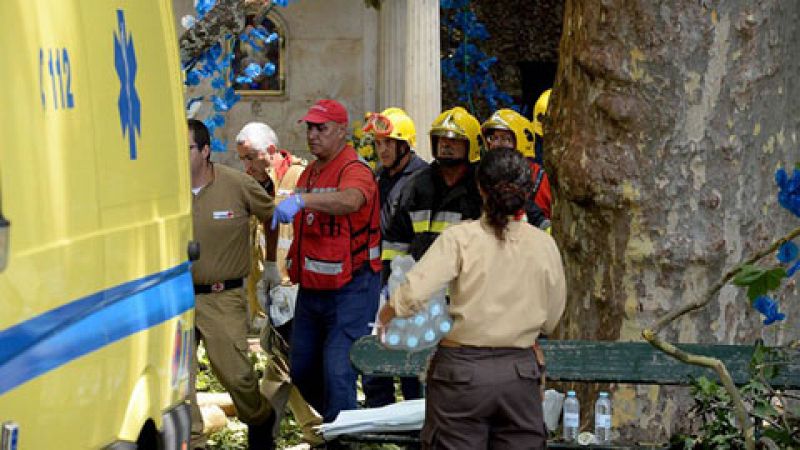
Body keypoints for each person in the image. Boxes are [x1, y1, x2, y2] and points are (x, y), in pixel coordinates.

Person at [377, 148, 567, 450]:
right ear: (528, 190)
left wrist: (386, 315)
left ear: (480, 188)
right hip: (520, 374)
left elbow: (413, 293)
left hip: (461, 375)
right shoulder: (544, 245)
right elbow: (553, 317)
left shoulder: (460, 238)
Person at [270, 99, 382, 424]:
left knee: (337, 370)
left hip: (352, 288)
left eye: (322, 128)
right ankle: (342, 424)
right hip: (313, 290)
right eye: (310, 128)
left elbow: (351, 200)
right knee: (302, 368)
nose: (313, 135)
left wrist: (303, 200)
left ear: (341, 131)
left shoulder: (355, 169)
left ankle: (342, 434)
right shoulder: (310, 172)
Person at [186, 119, 276, 450]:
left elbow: (274, 215)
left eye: (188, 149)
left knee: (237, 376)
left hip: (222, 297)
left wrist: (272, 267)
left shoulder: (237, 185)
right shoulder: (167, 189)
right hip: (177, 298)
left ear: (206, 151)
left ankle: (261, 420)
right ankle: (193, 440)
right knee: (180, 382)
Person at [234, 122, 323, 446]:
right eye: (242, 159)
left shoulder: (302, 178)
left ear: (270, 151)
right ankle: (317, 433)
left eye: (250, 158)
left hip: (298, 293)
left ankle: (265, 434)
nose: (246, 166)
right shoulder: (253, 185)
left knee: (284, 366)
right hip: (272, 294)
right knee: (287, 366)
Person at [360, 107, 428, 408]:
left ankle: (415, 427)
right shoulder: (380, 178)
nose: (382, 149)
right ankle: (379, 417)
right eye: (378, 143)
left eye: (388, 143)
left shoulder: (422, 179)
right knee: (376, 352)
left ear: (404, 145)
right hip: (377, 278)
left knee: (410, 358)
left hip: (408, 280)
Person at [381, 106, 483, 266]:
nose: (445, 145)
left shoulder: (482, 189)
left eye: (454, 139)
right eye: (441, 139)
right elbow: (395, 241)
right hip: (423, 283)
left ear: (471, 145)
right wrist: (391, 277)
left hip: (466, 285)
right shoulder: (416, 186)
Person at [482, 108, 552, 226]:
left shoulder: (542, 180)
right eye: (493, 138)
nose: (495, 144)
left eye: (505, 139)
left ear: (522, 143)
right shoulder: (483, 178)